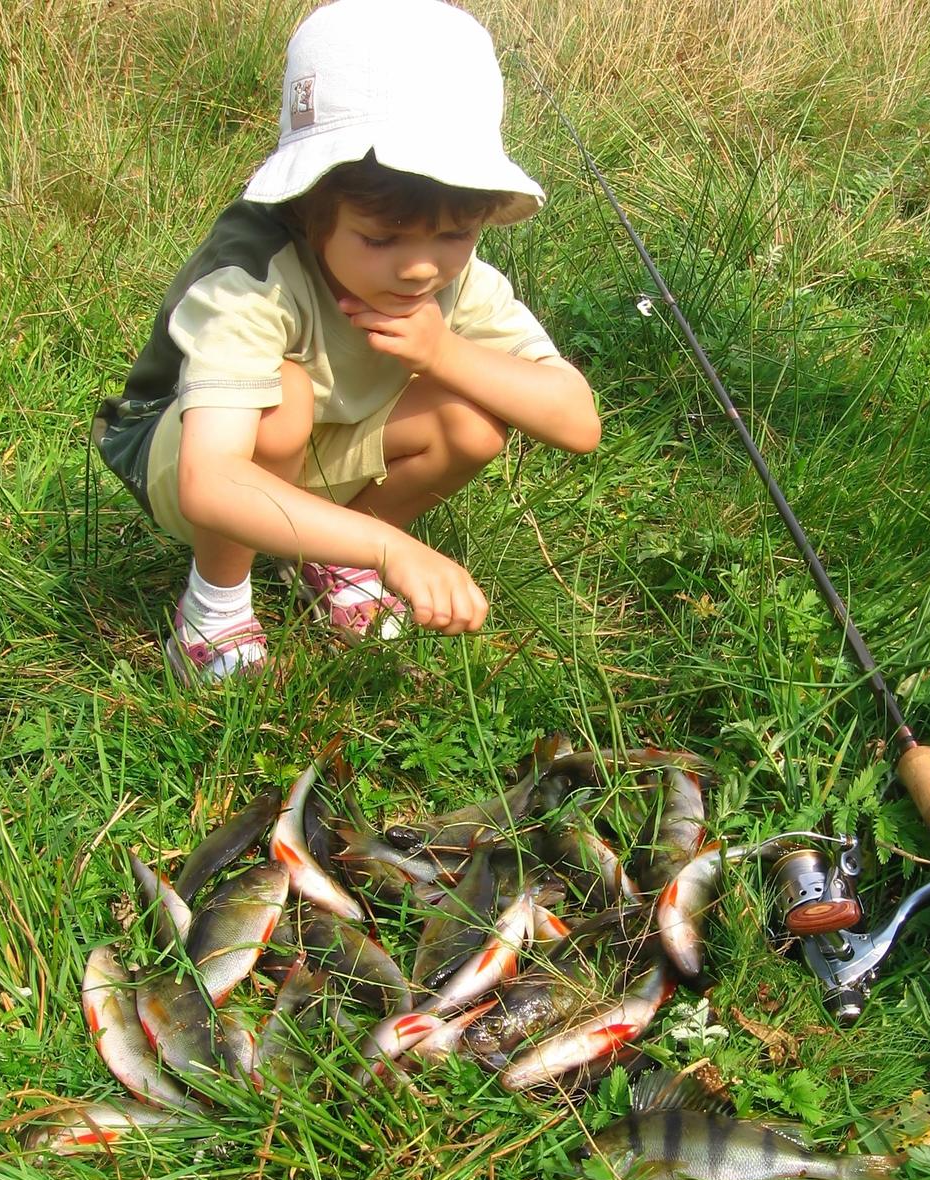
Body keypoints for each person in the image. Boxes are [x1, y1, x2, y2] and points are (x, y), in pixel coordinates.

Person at [93, 0, 599, 685]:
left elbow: (577, 420)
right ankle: (214, 606)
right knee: (285, 399)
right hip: (184, 448)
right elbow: (209, 480)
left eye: (454, 234)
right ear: (310, 201)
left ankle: (325, 557)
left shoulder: (456, 281)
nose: (420, 267)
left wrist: (443, 352)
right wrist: (393, 550)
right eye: (382, 238)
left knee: (472, 417)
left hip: (316, 445)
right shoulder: (253, 276)